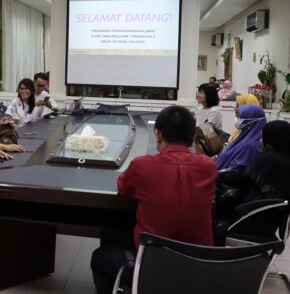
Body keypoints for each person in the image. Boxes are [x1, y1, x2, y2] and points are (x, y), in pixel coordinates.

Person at [90, 105, 217, 294]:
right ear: (192, 137)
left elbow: (124, 189)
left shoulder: (142, 165)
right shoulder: (209, 166)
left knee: (100, 257)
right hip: (198, 267)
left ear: (157, 134)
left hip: (151, 267)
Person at [245, 120, 290, 201]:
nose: (260, 140)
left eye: (262, 137)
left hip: (263, 209)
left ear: (270, 139)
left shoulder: (264, 160)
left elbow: (248, 186)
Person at [216, 104, 266, 172]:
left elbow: (234, 172)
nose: (236, 120)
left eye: (240, 117)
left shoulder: (250, 146)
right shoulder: (244, 135)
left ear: (251, 120)